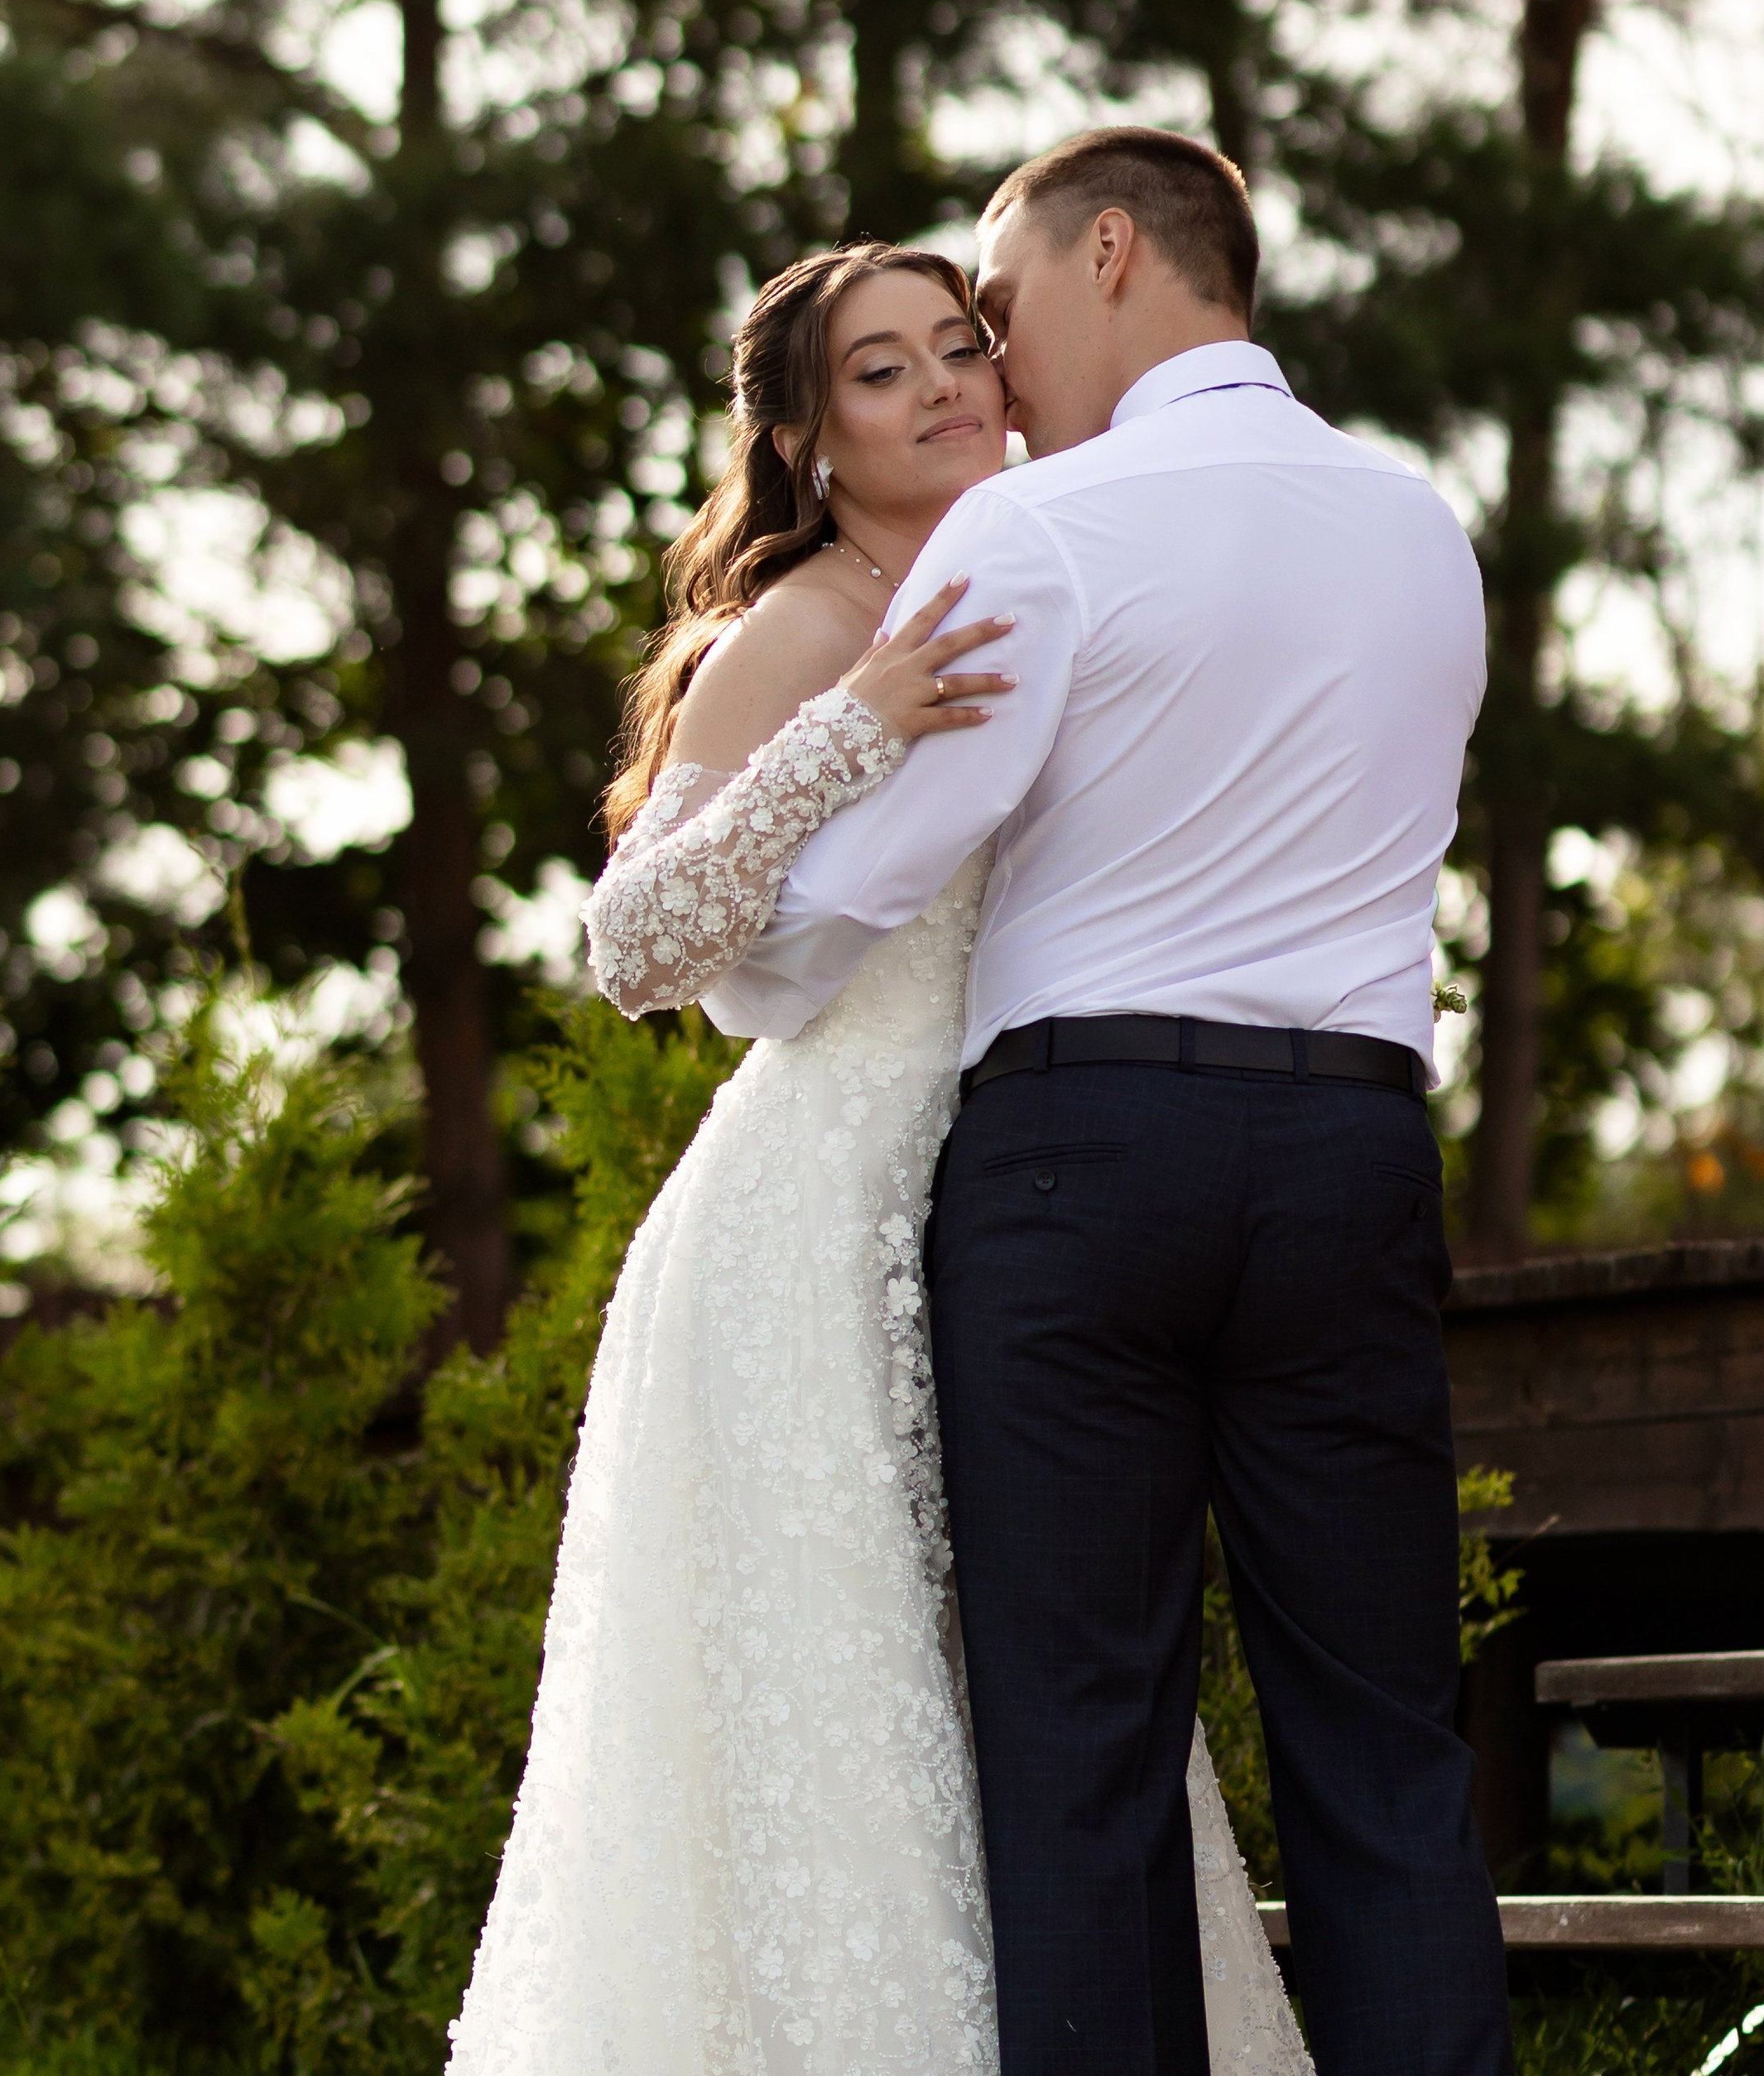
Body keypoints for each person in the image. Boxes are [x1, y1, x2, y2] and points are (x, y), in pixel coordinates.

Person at [446, 234, 1307, 2076]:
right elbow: (633, 947)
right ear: (812, 441)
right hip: (810, 1217)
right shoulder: (811, 626)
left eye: (957, 349)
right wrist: (856, 726)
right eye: (882, 370)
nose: (942, 390)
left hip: (1019, 1198)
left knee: (1040, 1709)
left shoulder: (1058, 572)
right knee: (839, 1701)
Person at [707, 128, 1514, 2076]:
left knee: (1081, 1758)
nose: (991, 357)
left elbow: (859, 900)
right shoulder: (1417, 526)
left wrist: (760, 940)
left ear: (1115, 254)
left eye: (997, 303)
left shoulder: (1043, 528)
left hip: (1078, 1166)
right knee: (1388, 1746)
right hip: (1347, 1150)